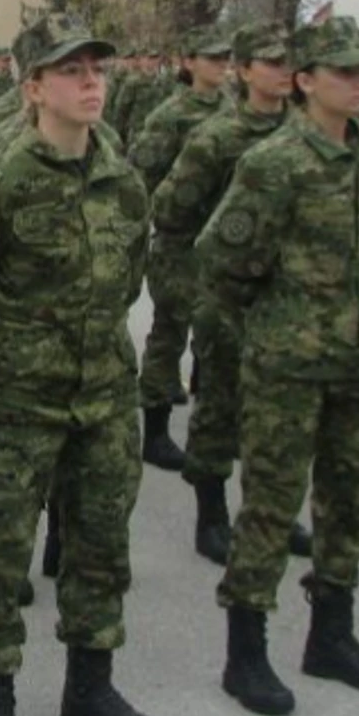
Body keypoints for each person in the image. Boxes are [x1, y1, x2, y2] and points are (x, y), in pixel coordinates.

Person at [0, 12, 158, 716]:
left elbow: (128, 277)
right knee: (2, 553)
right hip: (19, 403)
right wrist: (15, 353)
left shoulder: (120, 174)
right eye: (71, 71)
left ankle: (90, 687)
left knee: (100, 547)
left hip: (103, 397)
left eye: (97, 68)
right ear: (32, 87)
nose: (91, 82)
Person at [201, 21, 359, 716]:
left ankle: (332, 634)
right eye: (342, 72)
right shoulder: (276, 162)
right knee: (270, 506)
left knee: (346, 503)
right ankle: (246, 651)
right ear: (306, 81)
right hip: (288, 366)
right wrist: (273, 327)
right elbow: (224, 262)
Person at [154, 22, 309, 565]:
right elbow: (171, 208)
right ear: (245, 72)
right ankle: (212, 516)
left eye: (287, 60)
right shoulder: (218, 137)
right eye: (269, 61)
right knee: (220, 407)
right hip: (228, 297)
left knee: (281, 418)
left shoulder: (307, 135)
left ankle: (270, 511)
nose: (282, 70)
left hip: (291, 303)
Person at [129, 25, 235, 470]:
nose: (221, 66)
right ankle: (155, 431)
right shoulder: (171, 115)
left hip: (224, 245)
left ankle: (209, 432)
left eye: (225, 58)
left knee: (218, 337)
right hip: (180, 242)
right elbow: (141, 174)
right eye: (211, 58)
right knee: (170, 333)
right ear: (189, 63)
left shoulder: (234, 112)